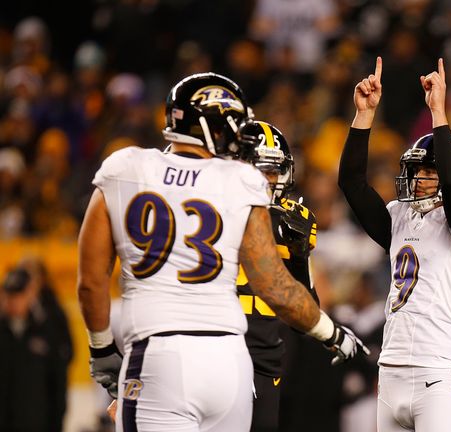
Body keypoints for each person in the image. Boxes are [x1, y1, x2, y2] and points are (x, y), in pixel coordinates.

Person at [77, 72, 368, 431]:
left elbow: (91, 283)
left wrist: (102, 351)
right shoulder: (240, 181)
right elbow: (275, 287)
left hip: (160, 354)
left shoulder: (125, 168)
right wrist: (331, 333)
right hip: (230, 362)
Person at [338, 57, 451, 431]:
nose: (419, 180)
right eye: (416, 172)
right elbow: (351, 184)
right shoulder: (402, 215)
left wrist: (439, 113)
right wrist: (363, 116)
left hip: (437, 373)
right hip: (391, 371)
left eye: (429, 171)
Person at [232, 118, 320, 432]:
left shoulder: (292, 220)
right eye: (260, 169)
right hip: (214, 341)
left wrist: (297, 258)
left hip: (263, 351)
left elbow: (307, 311)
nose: (269, 180)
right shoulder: (213, 208)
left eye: (274, 171)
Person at [0, 262, 72, 432]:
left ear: (30, 294)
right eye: (10, 295)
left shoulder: (47, 330)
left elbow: (57, 381)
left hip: (37, 422)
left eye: (18, 295)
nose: (14, 302)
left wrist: (57, 422)